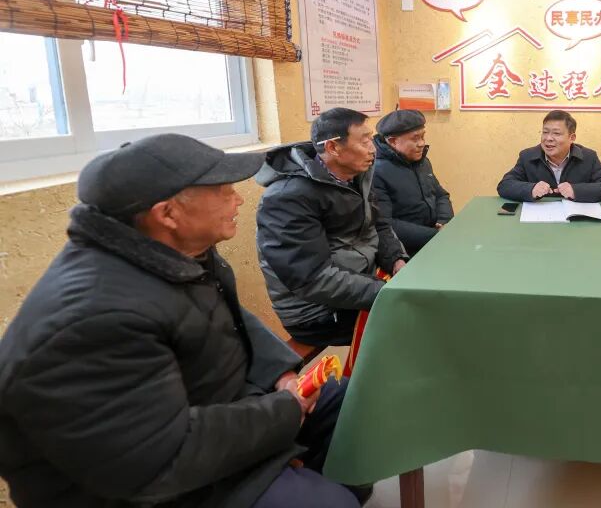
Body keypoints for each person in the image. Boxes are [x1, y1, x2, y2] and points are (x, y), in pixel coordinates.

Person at [0, 134, 370, 507]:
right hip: (148, 481)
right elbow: (156, 458)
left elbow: (228, 315)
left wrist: (282, 374)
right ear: (168, 214)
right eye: (224, 191)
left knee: (352, 405)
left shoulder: (170, 252)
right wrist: (284, 412)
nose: (239, 199)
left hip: (212, 413)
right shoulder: (96, 319)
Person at [256, 108, 408, 348]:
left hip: (360, 285)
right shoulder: (287, 197)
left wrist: (397, 260)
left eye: (371, 139)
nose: (373, 149)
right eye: (364, 141)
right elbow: (312, 279)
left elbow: (377, 224)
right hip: (318, 312)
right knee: (418, 324)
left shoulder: (356, 174)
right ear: (333, 148)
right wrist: (384, 291)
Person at [372, 109, 453, 255]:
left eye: (423, 137)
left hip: (436, 238)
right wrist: (435, 235)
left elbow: (441, 195)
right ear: (393, 141)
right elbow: (385, 224)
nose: (422, 143)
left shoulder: (423, 162)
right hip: (406, 249)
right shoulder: (377, 171)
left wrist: (444, 221)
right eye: (415, 139)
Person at [497, 109, 601, 202]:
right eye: (545, 132)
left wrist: (576, 190)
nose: (548, 138)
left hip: (575, 221)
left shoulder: (588, 157)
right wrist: (531, 189)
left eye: (556, 133)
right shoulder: (527, 156)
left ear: (572, 138)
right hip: (539, 220)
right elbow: (505, 185)